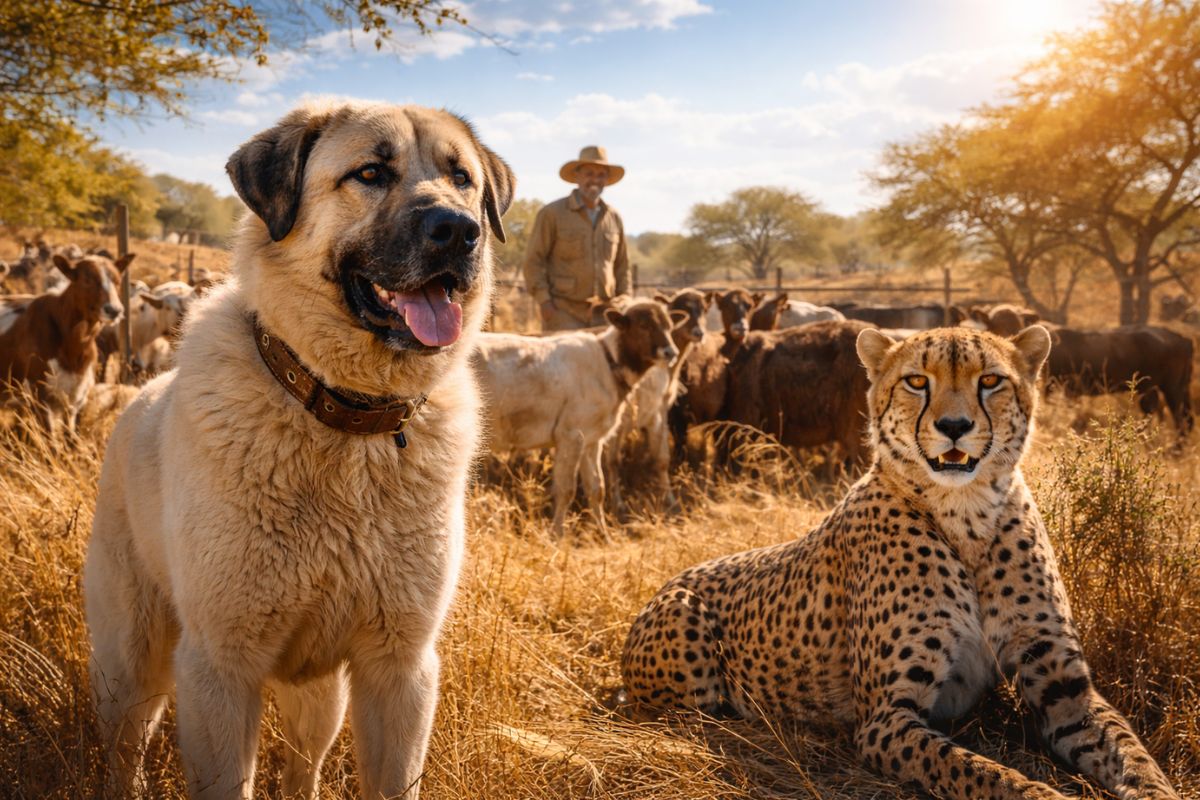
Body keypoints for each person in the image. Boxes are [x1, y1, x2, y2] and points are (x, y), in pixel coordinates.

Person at [523, 145, 631, 330]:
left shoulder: (614, 217)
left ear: (606, 179)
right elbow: (533, 261)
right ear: (577, 176)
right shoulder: (552, 214)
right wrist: (545, 302)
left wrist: (625, 299)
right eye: (589, 173)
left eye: (600, 175)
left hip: (605, 314)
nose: (594, 180)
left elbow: (622, 265)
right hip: (563, 312)